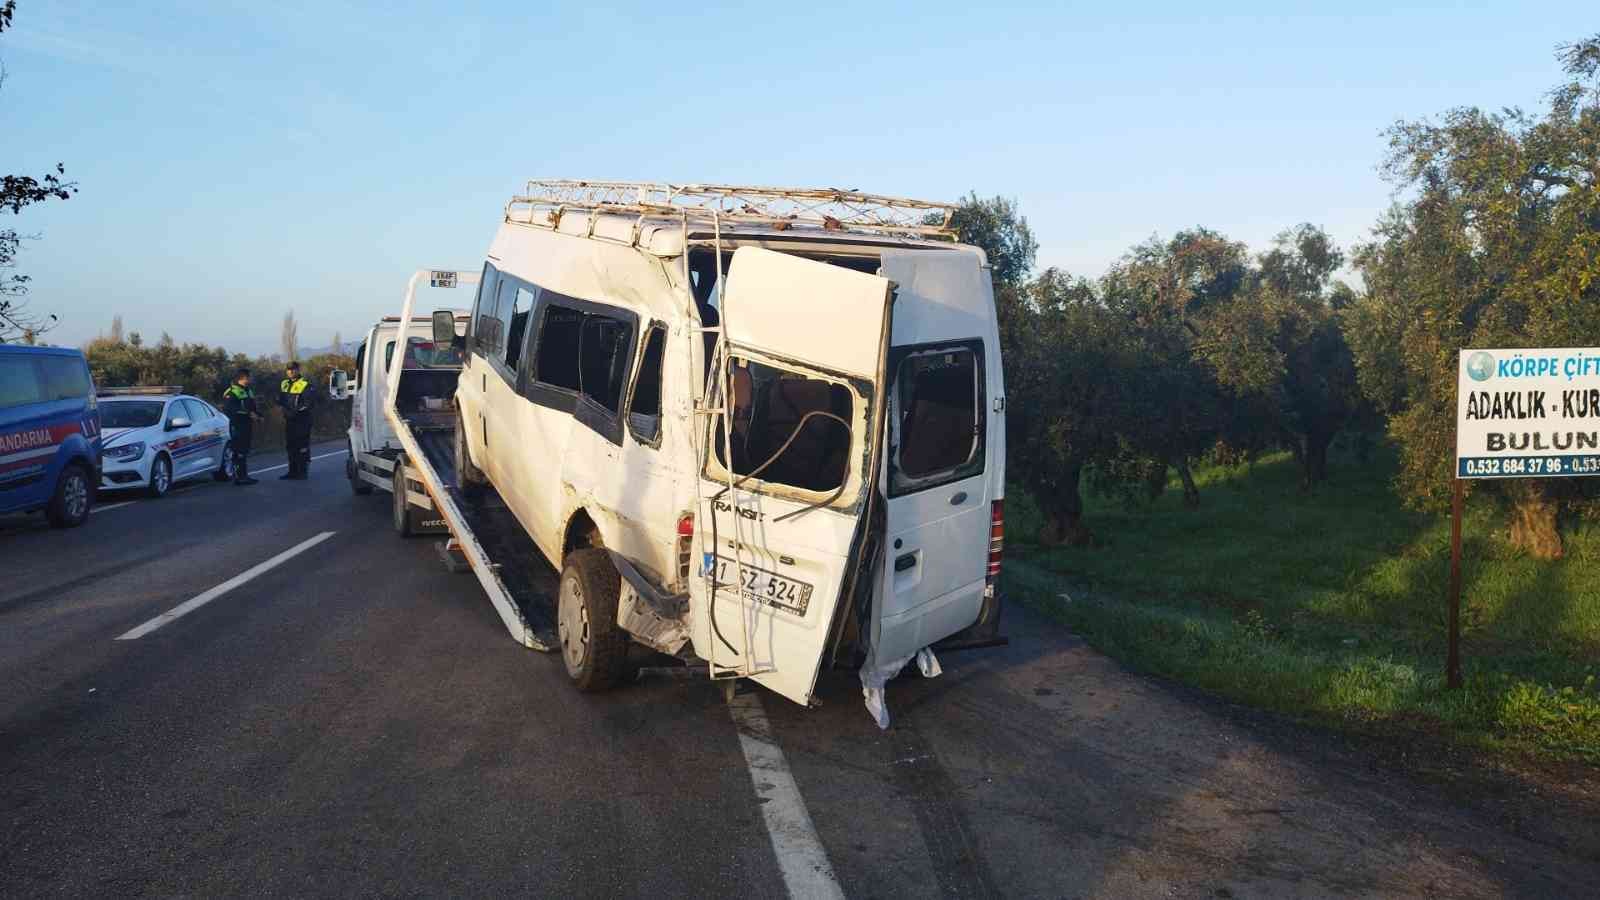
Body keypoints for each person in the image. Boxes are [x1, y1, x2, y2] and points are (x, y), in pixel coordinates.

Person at [278, 361, 317, 480]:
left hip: (302, 420)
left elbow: (308, 403)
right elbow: (280, 399)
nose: (290, 371)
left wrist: (295, 411)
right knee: (291, 446)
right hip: (289, 420)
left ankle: (302, 471)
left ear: (298, 370)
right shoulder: (284, 383)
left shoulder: (305, 384)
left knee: (302, 446)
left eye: (293, 369)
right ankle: (292, 471)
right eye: (288, 369)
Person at [221, 368, 260, 486]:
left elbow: (252, 407)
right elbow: (230, 409)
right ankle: (239, 477)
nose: (250, 379)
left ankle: (244, 475)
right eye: (249, 377)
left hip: (247, 425)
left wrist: (258, 415)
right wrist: (248, 413)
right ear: (243, 378)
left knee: (244, 450)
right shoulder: (231, 392)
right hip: (236, 425)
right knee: (238, 451)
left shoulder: (248, 390)